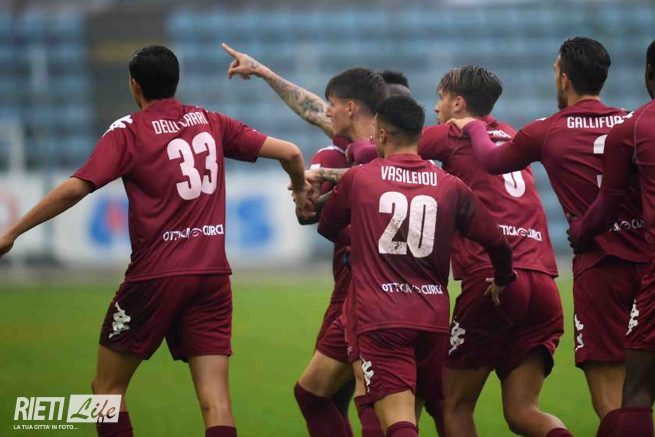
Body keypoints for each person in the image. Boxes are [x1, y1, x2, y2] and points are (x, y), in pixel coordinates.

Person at [0, 45, 310, 437]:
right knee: (216, 403)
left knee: (107, 389)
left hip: (155, 277)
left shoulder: (128, 131)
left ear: (135, 85)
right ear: (175, 81)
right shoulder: (210, 121)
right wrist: (300, 190)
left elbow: (77, 187)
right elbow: (291, 152)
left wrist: (12, 232)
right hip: (211, 277)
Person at [313, 66, 570, 437]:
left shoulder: (452, 134)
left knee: (450, 405)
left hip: (487, 283)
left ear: (459, 103)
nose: (436, 107)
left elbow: (384, 149)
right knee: (523, 412)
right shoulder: (510, 135)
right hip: (543, 280)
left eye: (441, 98)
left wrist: (352, 149)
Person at [451, 37, 649, 427]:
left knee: (614, 399)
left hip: (601, 267)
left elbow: (490, 161)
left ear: (563, 79)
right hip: (648, 265)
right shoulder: (634, 122)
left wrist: (474, 126)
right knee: (640, 391)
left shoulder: (547, 130)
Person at [223, 43, 389, 437]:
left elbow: (375, 176)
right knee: (343, 396)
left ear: (351, 107)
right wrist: (263, 72)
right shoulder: (367, 144)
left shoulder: (379, 151)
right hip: (371, 284)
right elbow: (311, 108)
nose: (326, 111)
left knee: (341, 395)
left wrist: (315, 181)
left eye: (334, 104)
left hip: (369, 286)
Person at [568, 39, 655, 437]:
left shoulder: (634, 127)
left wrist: (579, 231)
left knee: (635, 393)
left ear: (648, 74)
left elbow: (606, 205)